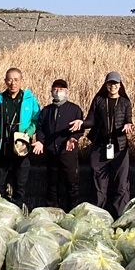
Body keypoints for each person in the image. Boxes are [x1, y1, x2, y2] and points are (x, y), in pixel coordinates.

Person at [81, 71, 133, 218]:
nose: (113, 86)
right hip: (100, 147)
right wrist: (82, 124)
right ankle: (99, 218)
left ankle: (120, 217)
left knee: (122, 185)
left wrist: (129, 125)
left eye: (115, 83)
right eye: (110, 83)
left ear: (120, 85)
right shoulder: (98, 100)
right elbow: (91, 120)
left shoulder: (124, 102)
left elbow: (129, 119)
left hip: (119, 147)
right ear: (106, 84)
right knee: (99, 185)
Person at [0, 67, 40, 208]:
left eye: (16, 80)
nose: (13, 83)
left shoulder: (30, 100)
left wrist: (27, 133)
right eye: (9, 80)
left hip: (22, 147)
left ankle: (17, 209)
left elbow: (36, 120)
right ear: (5, 81)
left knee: (20, 183)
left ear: (21, 81)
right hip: (3, 147)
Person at [33, 79, 84, 211]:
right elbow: (40, 128)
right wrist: (40, 141)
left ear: (66, 91)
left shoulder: (74, 109)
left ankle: (72, 211)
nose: (58, 92)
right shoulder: (46, 111)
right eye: (55, 89)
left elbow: (80, 129)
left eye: (61, 90)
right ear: (51, 92)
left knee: (71, 183)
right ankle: (52, 211)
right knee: (52, 184)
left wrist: (73, 138)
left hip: (68, 152)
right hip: (51, 152)